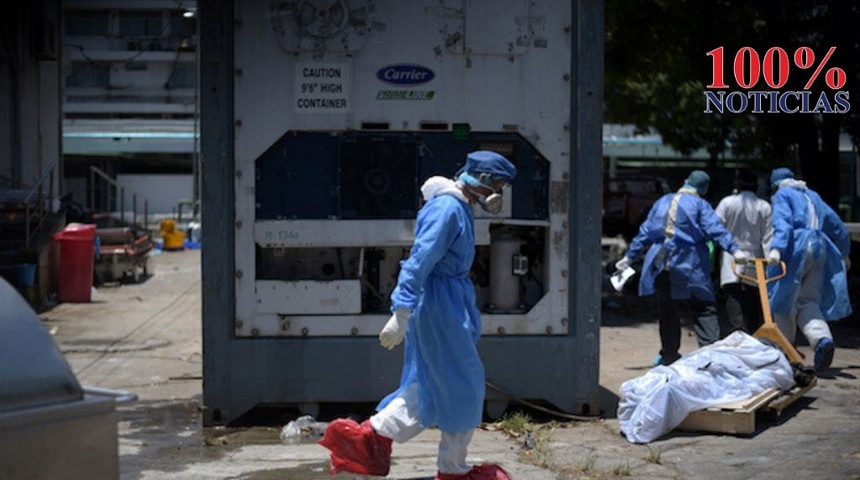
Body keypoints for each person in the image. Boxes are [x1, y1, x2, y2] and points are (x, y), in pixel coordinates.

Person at [319, 151, 517, 480]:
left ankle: (369, 438)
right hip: (440, 305)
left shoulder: (458, 206)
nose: (500, 192)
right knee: (463, 384)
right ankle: (453, 469)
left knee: (430, 385)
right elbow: (420, 258)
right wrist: (402, 308)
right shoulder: (449, 208)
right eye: (499, 184)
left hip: (445, 302)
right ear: (482, 180)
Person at [615, 170, 749, 366]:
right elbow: (715, 229)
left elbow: (645, 232)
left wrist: (628, 257)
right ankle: (709, 355)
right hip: (689, 262)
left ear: (686, 181)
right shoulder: (700, 205)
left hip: (661, 263)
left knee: (668, 311)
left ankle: (669, 356)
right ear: (703, 188)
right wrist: (735, 250)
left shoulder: (662, 202)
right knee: (703, 307)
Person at [765, 167, 852, 373]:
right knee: (808, 301)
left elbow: (783, 222)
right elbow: (837, 225)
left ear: (775, 184)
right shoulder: (813, 195)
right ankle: (821, 339)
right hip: (820, 247)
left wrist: (777, 248)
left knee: (783, 301)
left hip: (796, 248)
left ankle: (786, 354)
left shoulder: (782, 195)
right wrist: (844, 252)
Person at [714, 170, 773, 337]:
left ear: (737, 185)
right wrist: (770, 259)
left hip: (731, 256)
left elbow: (715, 228)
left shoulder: (727, 203)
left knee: (734, 296)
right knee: (754, 300)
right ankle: (752, 336)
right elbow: (768, 237)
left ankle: (737, 332)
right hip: (756, 259)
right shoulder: (764, 206)